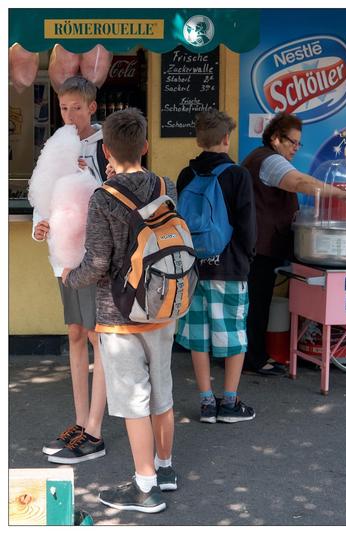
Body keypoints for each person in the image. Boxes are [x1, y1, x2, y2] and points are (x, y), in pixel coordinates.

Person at [62, 107, 177, 513]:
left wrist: (68, 276)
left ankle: (145, 488)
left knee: (133, 402)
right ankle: (164, 467)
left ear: (106, 150)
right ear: (145, 146)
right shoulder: (167, 184)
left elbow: (97, 263)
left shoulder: (102, 198)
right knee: (162, 393)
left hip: (121, 314)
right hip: (164, 305)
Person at [242, 112, 346, 376]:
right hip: (259, 245)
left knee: (255, 302)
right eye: (291, 142)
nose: (295, 148)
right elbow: (300, 182)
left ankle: (251, 355)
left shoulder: (260, 158)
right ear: (275, 139)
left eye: (298, 144)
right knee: (256, 303)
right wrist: (341, 194)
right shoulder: (270, 161)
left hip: (256, 243)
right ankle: (254, 360)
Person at [32, 76, 108, 463]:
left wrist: (87, 174)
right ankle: (80, 423)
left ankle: (95, 430)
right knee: (76, 335)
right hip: (63, 258)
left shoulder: (105, 143)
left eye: (76, 107)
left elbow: (116, 195)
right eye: (64, 107)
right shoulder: (57, 143)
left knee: (98, 339)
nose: (69, 114)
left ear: (92, 107)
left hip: (94, 259)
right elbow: (44, 196)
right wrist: (39, 225)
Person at [175, 109, 257, 424]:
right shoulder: (237, 175)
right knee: (233, 333)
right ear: (226, 138)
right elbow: (247, 225)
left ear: (198, 139)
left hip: (194, 267)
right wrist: (247, 258)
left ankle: (207, 402)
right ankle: (231, 402)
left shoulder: (186, 175)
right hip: (230, 267)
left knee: (199, 336)